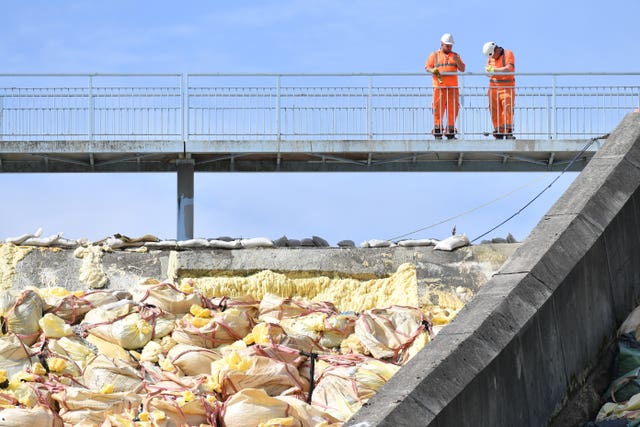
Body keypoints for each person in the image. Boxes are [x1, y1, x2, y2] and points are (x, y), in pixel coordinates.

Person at [425, 33, 466, 140]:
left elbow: (462, 69)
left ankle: (450, 131)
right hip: (439, 88)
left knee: (453, 109)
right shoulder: (434, 55)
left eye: (450, 46)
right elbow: (427, 67)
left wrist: (457, 60)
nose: (449, 47)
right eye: (447, 45)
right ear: (441, 44)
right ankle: (438, 130)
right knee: (438, 108)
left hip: (452, 88)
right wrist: (432, 70)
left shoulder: (455, 56)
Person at [483, 41, 516, 139]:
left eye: (493, 55)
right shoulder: (490, 58)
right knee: (494, 110)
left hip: (507, 88)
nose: (492, 58)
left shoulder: (508, 53)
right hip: (493, 88)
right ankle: (498, 131)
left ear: (496, 49)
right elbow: (488, 71)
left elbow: (509, 68)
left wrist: (495, 70)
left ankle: (508, 131)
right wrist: (488, 72)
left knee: (507, 108)